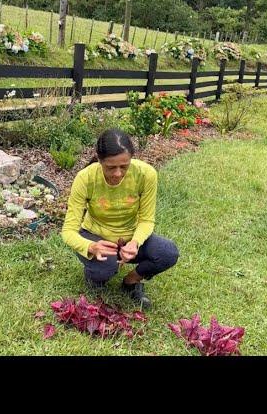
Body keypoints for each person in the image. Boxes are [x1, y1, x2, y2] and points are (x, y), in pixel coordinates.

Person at [61, 128, 180, 309]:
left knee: (167, 252)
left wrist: (135, 243)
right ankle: (97, 271)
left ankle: (131, 282)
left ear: (132, 158)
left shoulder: (146, 174)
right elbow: (68, 231)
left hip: (128, 238)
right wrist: (90, 246)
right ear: (99, 161)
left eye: (124, 166)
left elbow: (146, 220)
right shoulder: (85, 178)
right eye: (110, 167)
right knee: (104, 271)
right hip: (95, 236)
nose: (117, 173)